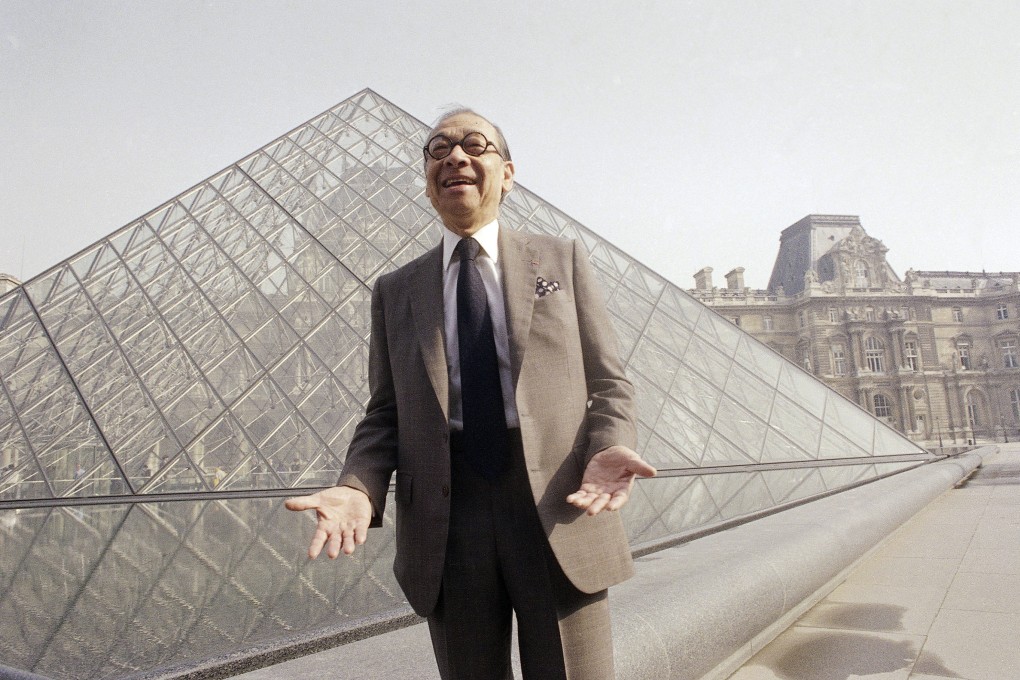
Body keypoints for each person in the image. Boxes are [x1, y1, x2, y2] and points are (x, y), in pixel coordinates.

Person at [285, 108, 656, 679]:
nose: (454, 156)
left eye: (474, 145)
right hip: (445, 512)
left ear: (506, 173)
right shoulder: (395, 290)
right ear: (428, 180)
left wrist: (608, 445)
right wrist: (359, 487)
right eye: (438, 149)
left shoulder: (563, 258)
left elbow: (609, 382)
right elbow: (384, 414)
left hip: (557, 500)